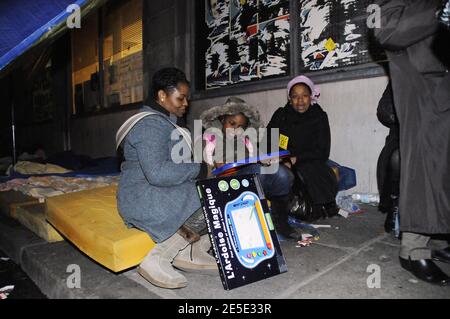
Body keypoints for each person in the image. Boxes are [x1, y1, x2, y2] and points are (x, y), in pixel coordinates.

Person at [117, 67, 216, 289]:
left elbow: (174, 167)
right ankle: (159, 258)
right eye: (180, 98)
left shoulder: (166, 122)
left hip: (155, 190)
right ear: (162, 96)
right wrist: (199, 170)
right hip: (141, 197)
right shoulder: (149, 124)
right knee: (209, 194)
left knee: (218, 188)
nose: (185, 103)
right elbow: (158, 173)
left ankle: (192, 251)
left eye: (186, 98)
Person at [375, 0, 450, 285]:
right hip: (424, 83)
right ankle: (414, 246)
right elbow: (384, 27)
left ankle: (439, 239)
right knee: (418, 162)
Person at [199, 97, 299, 239]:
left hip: (250, 177)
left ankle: (281, 223)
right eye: (231, 123)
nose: (235, 130)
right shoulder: (212, 138)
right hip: (221, 183)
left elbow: (259, 159)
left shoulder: (246, 141)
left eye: (240, 127)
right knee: (258, 172)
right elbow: (209, 168)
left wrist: (268, 160)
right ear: (222, 120)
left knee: (283, 174)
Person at [267, 75, 339, 222]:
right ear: (289, 99)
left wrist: (294, 159)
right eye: (295, 96)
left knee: (309, 170)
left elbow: (322, 151)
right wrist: (273, 157)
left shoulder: (318, 116)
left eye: (304, 96)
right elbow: (266, 141)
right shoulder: (281, 115)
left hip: (308, 160)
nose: (300, 101)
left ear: (311, 96)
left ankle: (315, 206)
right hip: (281, 160)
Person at [376, 82, 400, 234]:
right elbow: (383, 110)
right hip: (400, 135)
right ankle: (395, 205)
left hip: (431, 136)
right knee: (396, 157)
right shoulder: (400, 77)